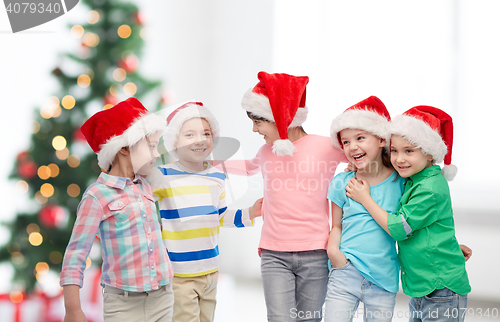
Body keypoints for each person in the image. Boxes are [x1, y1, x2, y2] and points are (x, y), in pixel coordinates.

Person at [215, 72, 347, 322]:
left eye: (258, 121)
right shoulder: (266, 151)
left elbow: (361, 157)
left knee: (310, 318)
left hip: (316, 252)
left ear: (281, 116)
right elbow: (248, 167)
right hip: (274, 253)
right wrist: (209, 164)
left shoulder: (325, 147)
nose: (254, 129)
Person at [347, 105, 471, 322]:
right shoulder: (415, 178)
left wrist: (365, 198)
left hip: (440, 288)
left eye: (409, 151)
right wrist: (360, 167)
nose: (399, 159)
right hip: (423, 285)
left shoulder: (429, 188)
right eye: (394, 151)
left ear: (430, 153)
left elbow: (398, 228)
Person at [60, 97, 174, 322]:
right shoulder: (97, 196)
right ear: (123, 147)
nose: (157, 154)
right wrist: (73, 310)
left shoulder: (148, 186)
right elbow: (75, 255)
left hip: (163, 297)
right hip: (123, 304)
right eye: (151, 146)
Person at [148, 102, 263, 322]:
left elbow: (219, 215)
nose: (200, 139)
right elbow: (140, 203)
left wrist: (250, 212)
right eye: (189, 134)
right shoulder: (162, 175)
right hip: (179, 273)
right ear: (174, 142)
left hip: (210, 270)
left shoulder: (217, 175)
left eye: (206, 133)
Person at [324, 96, 402, 322]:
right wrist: (334, 253)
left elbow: (413, 223)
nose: (352, 146)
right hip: (344, 271)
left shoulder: (401, 182)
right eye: (346, 142)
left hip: (383, 277)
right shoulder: (341, 181)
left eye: (360, 138)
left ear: (380, 140)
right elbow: (336, 225)